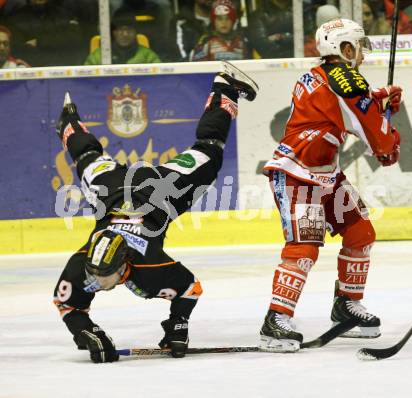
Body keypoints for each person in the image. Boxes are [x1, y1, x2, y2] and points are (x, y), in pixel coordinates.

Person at [52, 61, 258, 363]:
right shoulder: (83, 264)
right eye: (97, 276)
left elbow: (191, 288)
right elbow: (68, 303)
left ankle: (226, 87)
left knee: (207, 151)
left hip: (156, 192)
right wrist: (86, 331)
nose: (100, 284)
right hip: (116, 192)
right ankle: (68, 122)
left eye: (106, 278)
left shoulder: (150, 265)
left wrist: (177, 325)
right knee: (88, 157)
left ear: (125, 264)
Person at [259, 19, 403, 352]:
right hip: (298, 172)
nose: (363, 55)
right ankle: (276, 319)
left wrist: (377, 98)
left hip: (323, 171)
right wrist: (388, 134)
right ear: (345, 49)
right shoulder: (347, 82)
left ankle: (346, 308)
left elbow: (340, 104)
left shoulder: (321, 73)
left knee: (360, 233)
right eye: (359, 47)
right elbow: (382, 148)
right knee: (304, 246)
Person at [84, 10, 161, 65]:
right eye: (120, 30)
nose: (125, 34)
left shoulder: (148, 56)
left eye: (129, 30)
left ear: (135, 32)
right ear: (114, 32)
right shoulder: (98, 56)